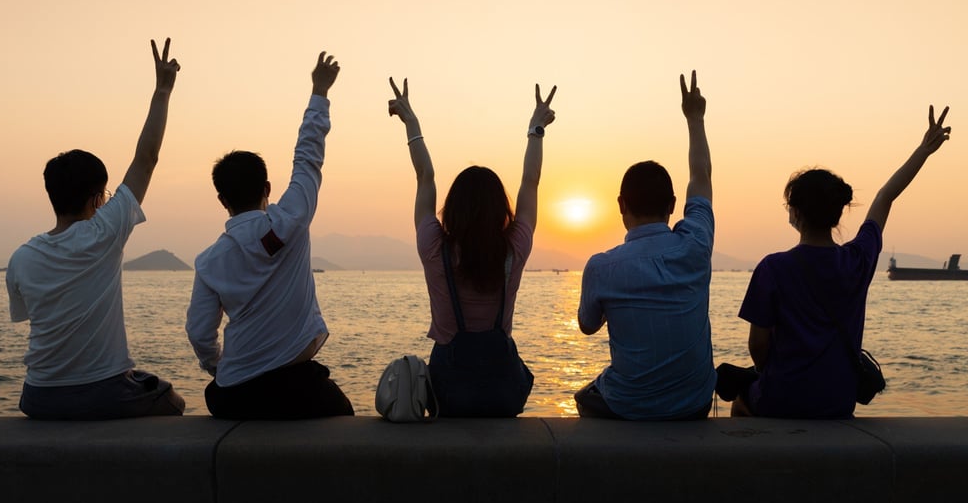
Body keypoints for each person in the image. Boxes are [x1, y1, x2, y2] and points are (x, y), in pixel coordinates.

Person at [6, 38, 186, 419]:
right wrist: (162, 90)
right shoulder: (104, 233)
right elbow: (146, 159)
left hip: (38, 398)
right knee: (172, 401)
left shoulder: (21, 258)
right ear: (96, 198)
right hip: (103, 393)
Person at [733, 105, 952, 418]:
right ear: (838, 213)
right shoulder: (858, 260)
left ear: (795, 212)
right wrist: (923, 151)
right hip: (838, 400)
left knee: (740, 401)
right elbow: (885, 197)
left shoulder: (773, 268)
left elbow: (758, 345)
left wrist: (770, 371)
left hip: (783, 396)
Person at [186, 51, 353, 420]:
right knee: (344, 416)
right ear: (268, 187)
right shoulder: (290, 219)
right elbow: (308, 157)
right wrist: (319, 91)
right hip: (295, 388)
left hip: (234, 394)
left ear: (222, 199)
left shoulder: (209, 260)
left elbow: (199, 332)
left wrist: (217, 366)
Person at [388, 77, 556, 416]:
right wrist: (535, 129)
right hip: (502, 389)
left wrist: (412, 123)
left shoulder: (434, 246)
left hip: (449, 387)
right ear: (500, 209)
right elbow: (531, 182)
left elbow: (425, 177)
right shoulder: (514, 248)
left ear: (453, 207)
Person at [575, 71, 716, 420]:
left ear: (621, 205)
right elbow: (701, 177)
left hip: (628, 405)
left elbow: (588, 325)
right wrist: (695, 119)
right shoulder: (696, 244)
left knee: (583, 397)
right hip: (695, 403)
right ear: (672, 205)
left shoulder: (602, 267)